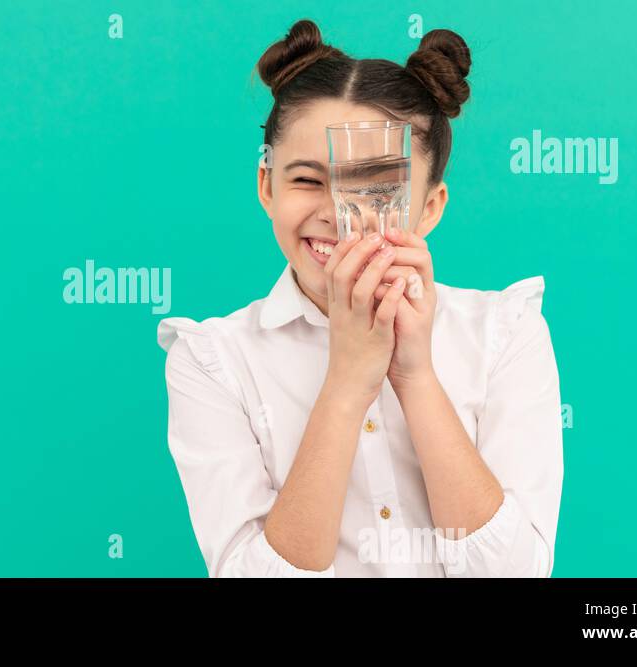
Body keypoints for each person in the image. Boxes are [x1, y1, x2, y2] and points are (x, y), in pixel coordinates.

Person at [157, 19, 563, 577]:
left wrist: (415, 376)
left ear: (429, 207)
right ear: (266, 187)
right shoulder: (213, 361)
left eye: (376, 186)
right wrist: (347, 381)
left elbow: (515, 574)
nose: (338, 214)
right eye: (305, 180)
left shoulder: (503, 333)